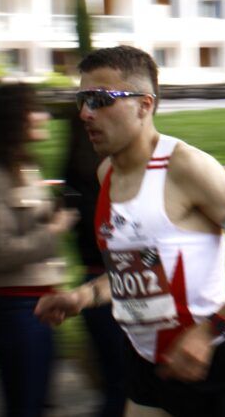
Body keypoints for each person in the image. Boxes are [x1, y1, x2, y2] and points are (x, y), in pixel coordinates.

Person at [35, 45, 225, 416]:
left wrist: (208, 334)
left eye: (100, 99)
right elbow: (139, 269)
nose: (85, 113)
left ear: (144, 104)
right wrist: (83, 297)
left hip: (211, 362)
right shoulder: (106, 173)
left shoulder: (186, 167)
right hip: (147, 362)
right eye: (82, 99)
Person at [0, 83, 78, 417]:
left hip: (42, 307)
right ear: (13, 119)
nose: (43, 116)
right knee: (25, 408)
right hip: (15, 310)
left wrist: (53, 213)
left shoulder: (27, 169)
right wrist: (53, 230)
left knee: (39, 405)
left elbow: (28, 224)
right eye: (34, 109)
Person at [61, 108, 128, 417]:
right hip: (114, 286)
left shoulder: (73, 176)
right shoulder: (102, 182)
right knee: (123, 389)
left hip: (99, 283)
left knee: (119, 387)